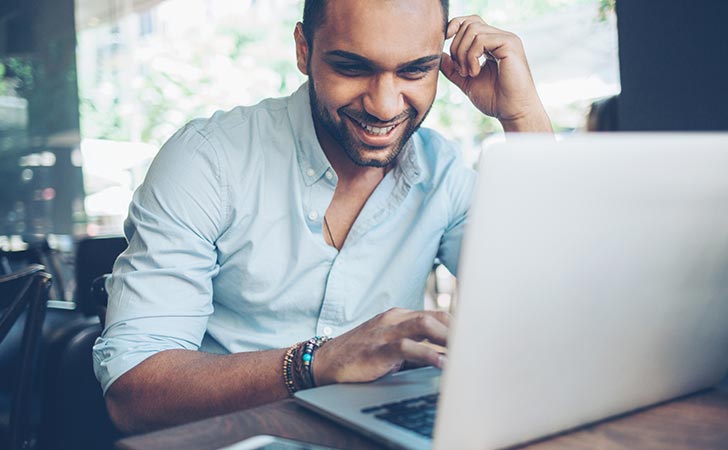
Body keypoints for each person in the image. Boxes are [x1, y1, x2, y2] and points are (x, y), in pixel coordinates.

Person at [92, 0, 552, 434]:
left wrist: (522, 116)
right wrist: (314, 364)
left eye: (415, 70)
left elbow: (550, 305)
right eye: (353, 67)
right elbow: (132, 394)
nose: (385, 105)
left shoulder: (442, 174)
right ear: (303, 50)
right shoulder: (207, 161)